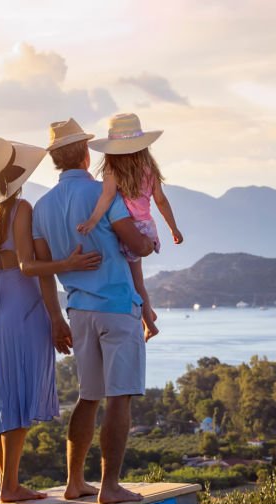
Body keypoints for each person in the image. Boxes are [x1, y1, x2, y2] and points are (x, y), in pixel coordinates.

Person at [0, 136, 101, 503]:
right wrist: (68, 265)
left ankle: (7, 485)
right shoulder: (21, 209)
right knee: (22, 394)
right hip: (22, 309)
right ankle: (10, 486)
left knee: (3, 397)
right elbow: (31, 267)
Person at [31, 118, 155, 504]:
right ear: (86, 153)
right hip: (117, 307)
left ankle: (74, 482)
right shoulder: (104, 192)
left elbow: (44, 273)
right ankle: (110, 486)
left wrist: (55, 319)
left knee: (88, 397)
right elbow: (135, 241)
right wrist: (149, 241)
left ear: (55, 160)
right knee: (120, 398)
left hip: (78, 311)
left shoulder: (41, 207)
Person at [78, 112, 183, 341]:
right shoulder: (149, 170)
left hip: (128, 231)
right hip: (147, 227)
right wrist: (174, 229)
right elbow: (161, 201)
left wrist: (92, 221)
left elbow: (106, 199)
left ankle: (149, 324)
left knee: (134, 281)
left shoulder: (112, 171)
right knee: (137, 279)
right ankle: (149, 310)